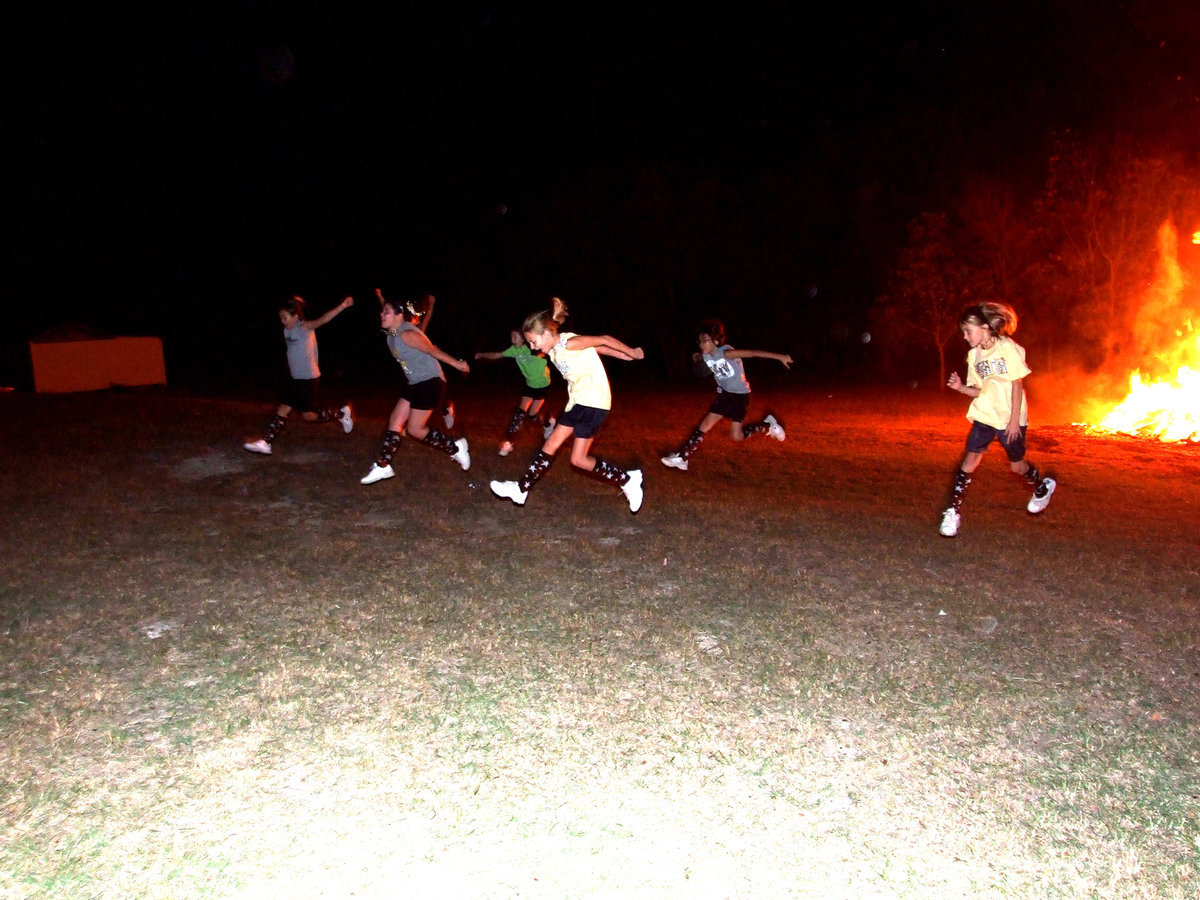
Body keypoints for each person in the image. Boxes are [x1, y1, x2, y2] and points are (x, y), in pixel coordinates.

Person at [489, 297, 645, 512]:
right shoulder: (553, 350)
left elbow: (604, 339)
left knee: (553, 443)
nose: (533, 347)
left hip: (592, 399)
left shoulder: (569, 343)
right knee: (578, 460)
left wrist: (631, 352)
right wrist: (620, 355)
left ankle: (521, 488)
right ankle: (627, 480)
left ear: (545, 333)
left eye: (534, 342)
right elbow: (595, 349)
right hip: (579, 401)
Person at [939, 301, 1056, 537]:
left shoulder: (1007, 348)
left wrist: (1013, 421)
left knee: (1016, 465)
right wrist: (961, 388)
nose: (964, 336)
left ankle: (1041, 488)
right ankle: (953, 512)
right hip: (985, 415)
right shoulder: (974, 356)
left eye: (968, 331)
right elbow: (980, 391)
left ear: (984, 327)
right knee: (969, 461)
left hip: (1010, 417)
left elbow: (1017, 383)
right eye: (963, 332)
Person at [361, 295, 471, 484]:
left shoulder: (406, 334)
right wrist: (381, 299)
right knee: (395, 420)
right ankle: (383, 465)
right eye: (382, 311)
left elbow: (432, 350)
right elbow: (389, 310)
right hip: (414, 382)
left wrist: (458, 364)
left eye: (386, 311)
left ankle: (455, 448)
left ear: (398, 315)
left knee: (415, 429)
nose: (382, 314)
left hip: (430, 382)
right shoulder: (392, 334)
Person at [660, 318, 791, 471]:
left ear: (716, 341)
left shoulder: (727, 353)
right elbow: (697, 357)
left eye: (704, 340)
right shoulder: (706, 355)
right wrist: (695, 357)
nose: (701, 344)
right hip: (725, 394)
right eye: (699, 341)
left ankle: (768, 426)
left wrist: (780, 357)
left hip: (741, 396)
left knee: (736, 436)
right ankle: (682, 457)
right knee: (706, 423)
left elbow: (753, 353)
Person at [243, 294, 354, 455]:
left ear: (295, 317)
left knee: (308, 416)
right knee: (285, 408)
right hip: (295, 378)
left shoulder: (305, 328)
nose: (283, 321)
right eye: (281, 318)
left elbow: (323, 319)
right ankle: (266, 442)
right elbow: (295, 309)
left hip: (308, 379)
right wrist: (298, 302)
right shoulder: (288, 329)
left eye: (285, 318)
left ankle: (340, 413)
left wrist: (343, 305)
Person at [377, 288, 456, 429]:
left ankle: (446, 410)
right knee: (412, 393)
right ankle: (404, 425)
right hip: (414, 373)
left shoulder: (416, 332)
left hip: (429, 371)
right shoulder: (398, 331)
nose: (415, 320)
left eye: (416, 319)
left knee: (434, 391)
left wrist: (431, 305)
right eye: (413, 318)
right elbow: (388, 311)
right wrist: (380, 297)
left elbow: (427, 318)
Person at [474, 328, 557, 455]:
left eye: (515, 336)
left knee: (532, 415)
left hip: (543, 385)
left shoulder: (532, 348)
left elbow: (549, 348)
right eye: (511, 336)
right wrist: (482, 354)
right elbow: (497, 355)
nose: (512, 339)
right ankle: (507, 443)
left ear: (523, 338)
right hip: (529, 385)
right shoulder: (513, 350)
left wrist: (543, 352)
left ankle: (548, 422)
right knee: (519, 413)